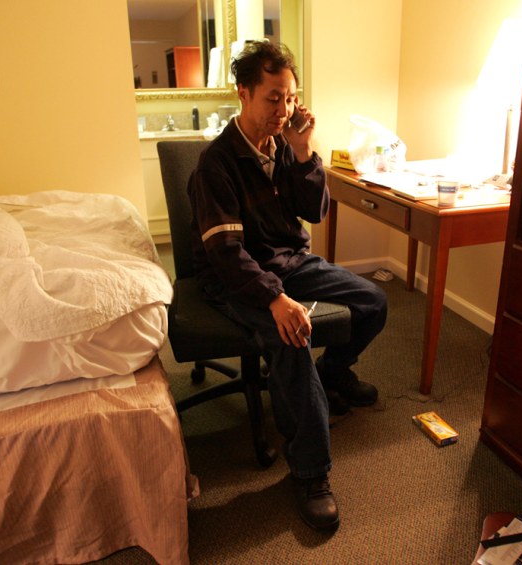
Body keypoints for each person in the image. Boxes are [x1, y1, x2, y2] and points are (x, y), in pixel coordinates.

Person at [187, 41, 388, 531]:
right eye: (273, 98)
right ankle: (311, 472)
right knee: (293, 335)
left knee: (373, 301)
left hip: (289, 260)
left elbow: (314, 211)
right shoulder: (216, 165)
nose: (284, 110)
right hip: (235, 277)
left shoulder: (282, 145)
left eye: (291, 98)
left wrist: (302, 152)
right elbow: (227, 255)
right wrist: (276, 299)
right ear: (244, 94)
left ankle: (334, 372)